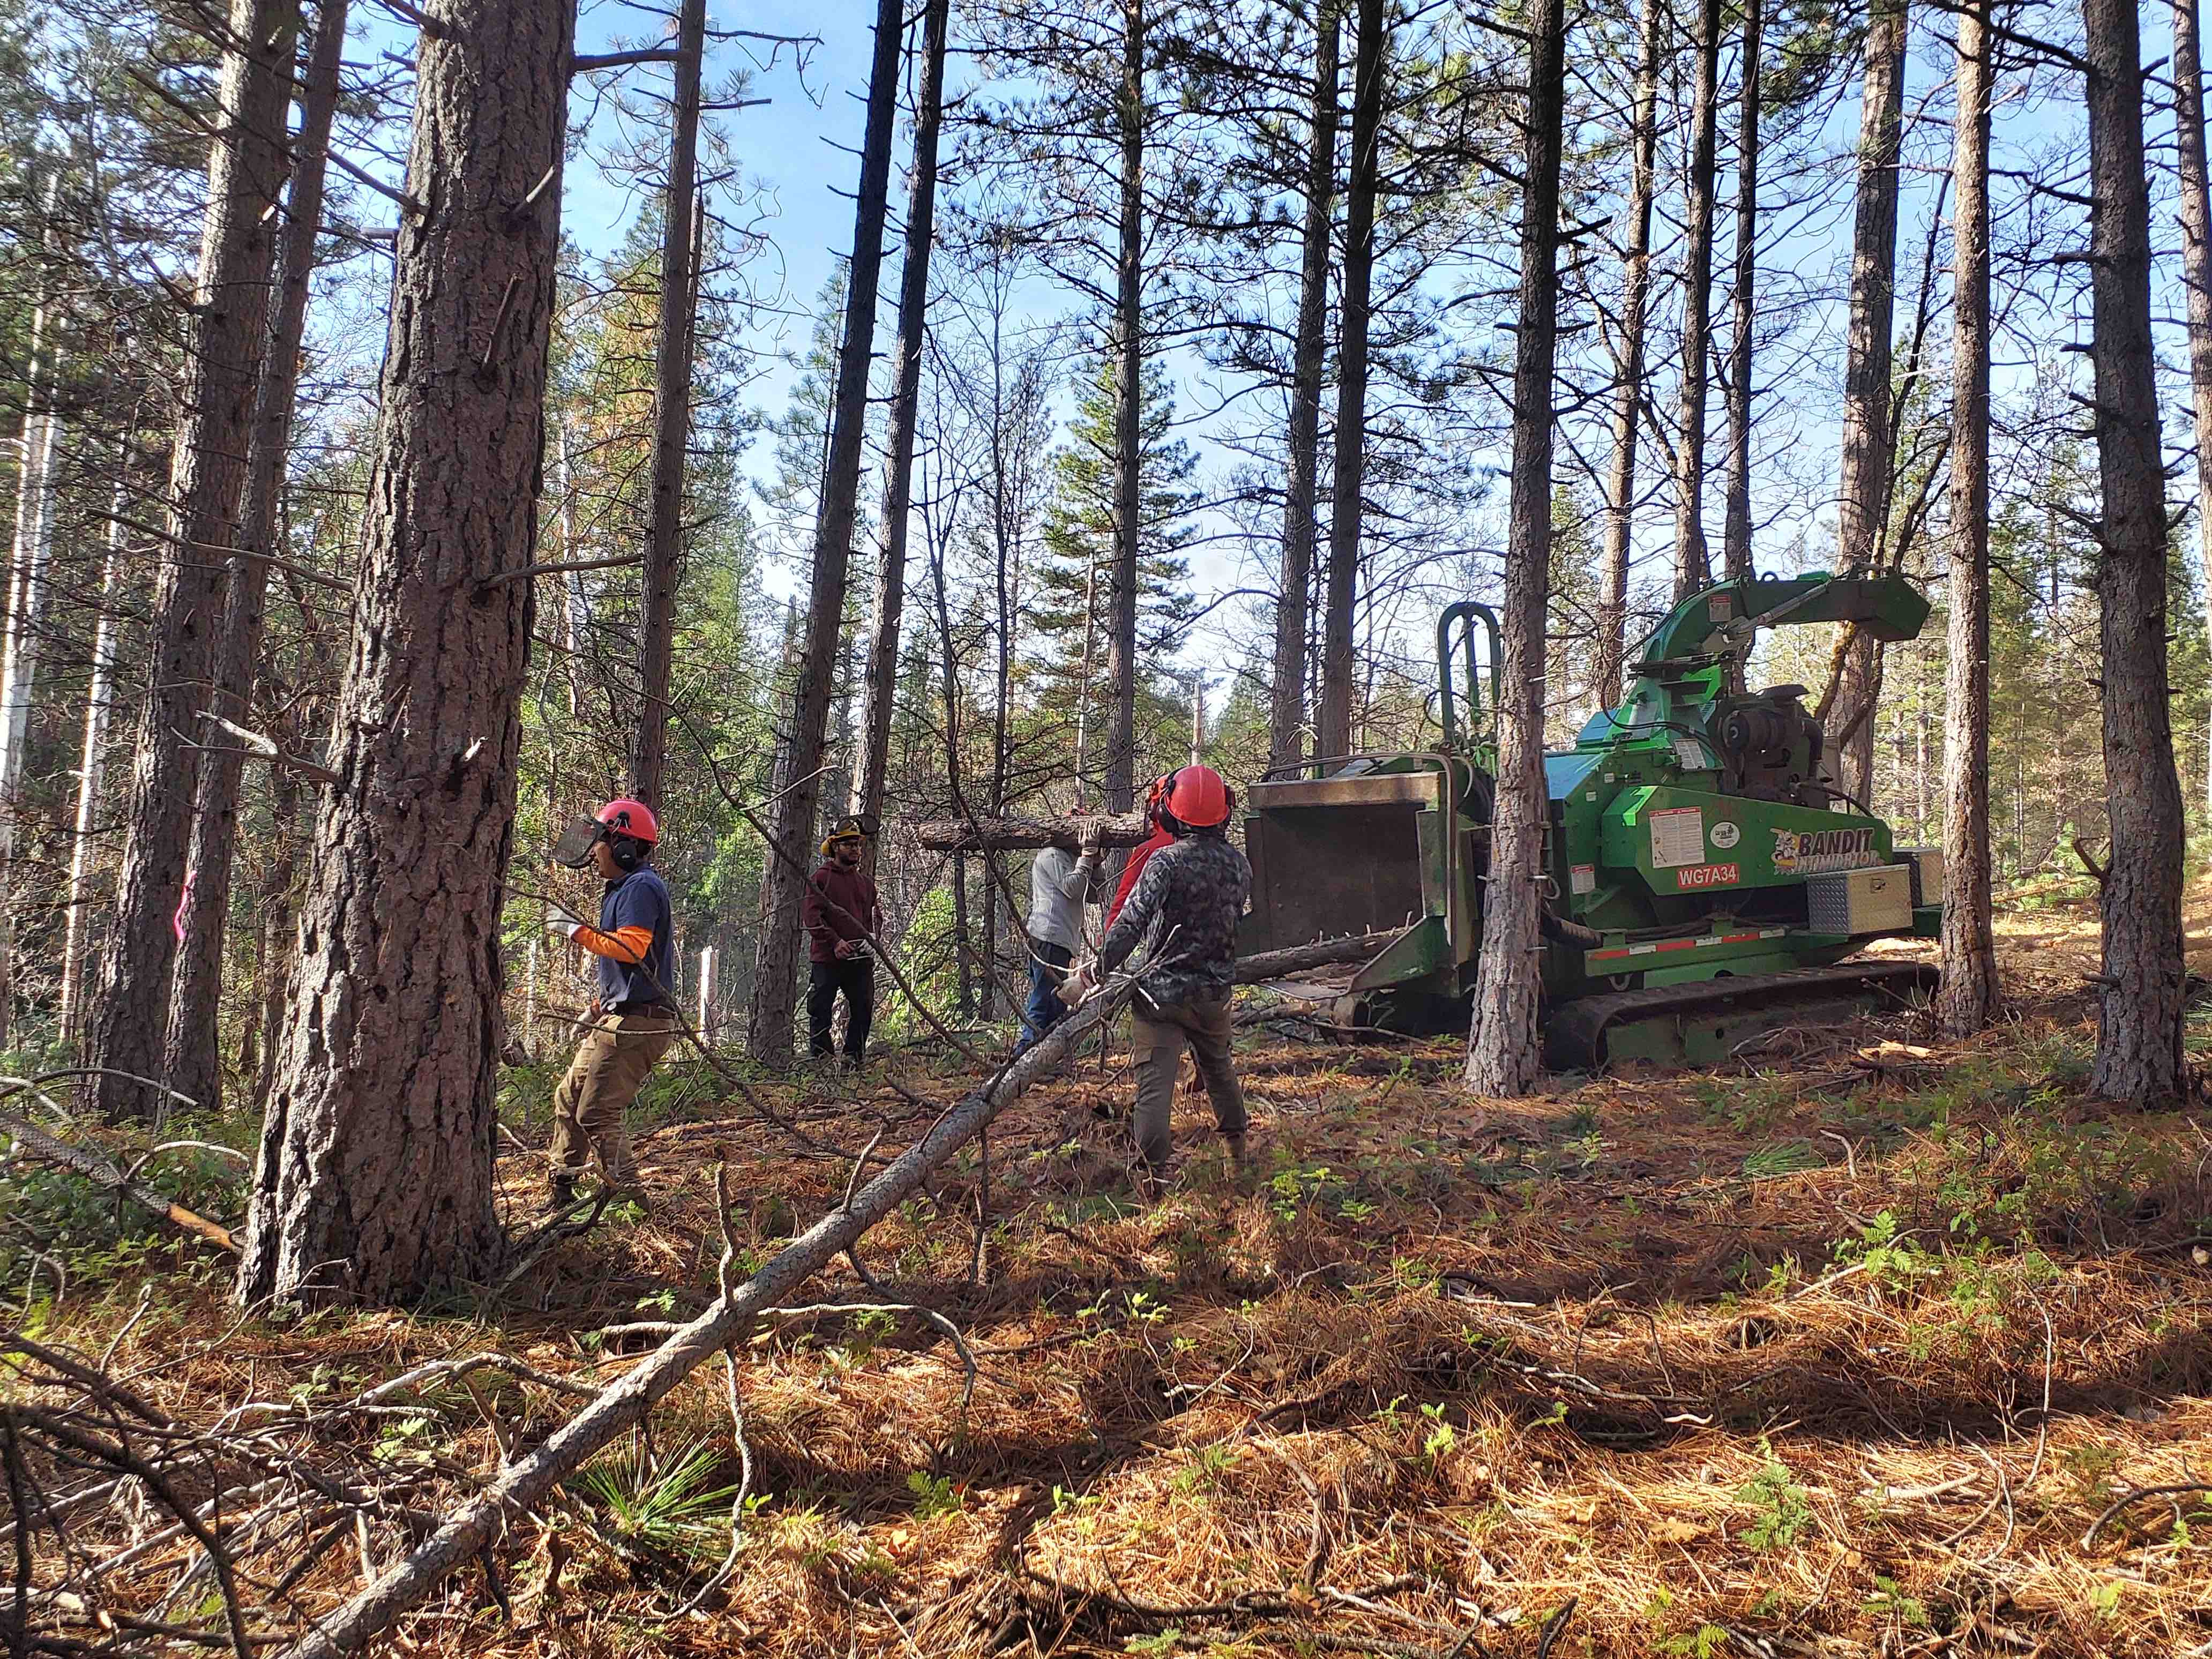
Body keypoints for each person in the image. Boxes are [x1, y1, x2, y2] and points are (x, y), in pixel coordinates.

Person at [1064, 765, 1250, 1195]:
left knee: (1155, 1086)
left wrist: (1092, 973)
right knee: (1220, 1072)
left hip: (1161, 995)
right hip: (1213, 995)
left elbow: (1131, 923)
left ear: (1171, 812)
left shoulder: (1165, 861)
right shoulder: (1240, 866)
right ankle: (1238, 1165)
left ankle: (1153, 1181)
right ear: (1223, 814)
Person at [543, 798, 677, 1210]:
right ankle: (562, 1191)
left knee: (597, 1113)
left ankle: (634, 1203)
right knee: (569, 1099)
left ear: (623, 846)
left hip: (640, 1023)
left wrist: (575, 931)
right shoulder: (623, 889)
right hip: (621, 1015)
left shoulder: (640, 888)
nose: (595, 852)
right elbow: (634, 968)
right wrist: (601, 1006)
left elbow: (633, 949)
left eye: (601, 843)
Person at [805, 816, 881, 1065]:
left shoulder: (866, 885)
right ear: (836, 847)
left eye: (858, 845)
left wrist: (872, 940)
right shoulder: (821, 878)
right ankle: (822, 1062)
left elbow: (873, 918)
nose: (855, 850)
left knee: (863, 1008)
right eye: (849, 845)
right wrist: (835, 942)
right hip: (827, 959)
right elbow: (812, 916)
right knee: (820, 1012)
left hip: (859, 960)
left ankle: (853, 1060)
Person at [1021, 820, 1101, 1049]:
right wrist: (1087, 855)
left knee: (1056, 1004)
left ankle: (1044, 1060)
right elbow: (1073, 888)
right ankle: (1023, 1057)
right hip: (1048, 938)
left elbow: (1094, 894)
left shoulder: (1070, 859)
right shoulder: (1052, 855)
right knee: (1043, 1002)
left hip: (1059, 942)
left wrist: (1094, 862)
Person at [1105, 774, 1175, 929]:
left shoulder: (1149, 850)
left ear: (1158, 810)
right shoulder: (1232, 859)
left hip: (1165, 949)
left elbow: (1124, 899)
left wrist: (1109, 934)